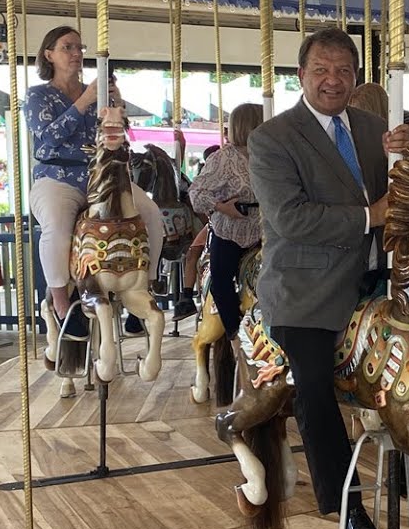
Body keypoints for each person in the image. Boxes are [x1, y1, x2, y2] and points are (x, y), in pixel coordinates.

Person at [249, 27, 409, 529]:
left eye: (343, 70)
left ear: (356, 77)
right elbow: (290, 219)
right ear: (301, 75)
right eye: (321, 70)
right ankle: (346, 505)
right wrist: (370, 215)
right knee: (314, 387)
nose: (332, 80)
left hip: (375, 277)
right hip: (306, 288)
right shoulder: (273, 138)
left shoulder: (374, 128)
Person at [27, 26, 165, 338]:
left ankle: (147, 284)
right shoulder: (38, 96)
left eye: (79, 47)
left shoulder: (98, 92)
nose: (76, 53)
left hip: (101, 176)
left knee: (152, 214)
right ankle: (62, 303)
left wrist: (117, 106)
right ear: (49, 55)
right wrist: (83, 101)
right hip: (57, 177)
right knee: (57, 227)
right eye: (67, 47)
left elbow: (117, 135)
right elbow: (48, 138)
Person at [188, 105, 263, 332]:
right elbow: (196, 193)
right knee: (221, 281)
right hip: (231, 229)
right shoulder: (223, 158)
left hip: (265, 228)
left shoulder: (269, 155)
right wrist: (221, 207)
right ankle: (233, 334)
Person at [173, 144, 223, 321]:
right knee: (192, 252)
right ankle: (187, 297)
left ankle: (188, 296)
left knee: (193, 252)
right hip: (214, 220)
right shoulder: (205, 178)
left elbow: (201, 209)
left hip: (218, 221)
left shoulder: (215, 176)